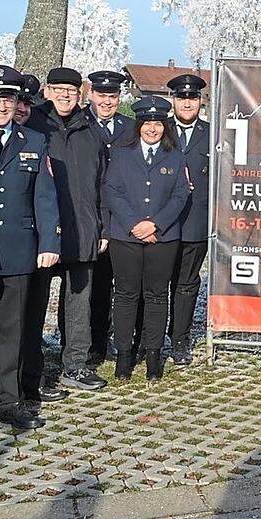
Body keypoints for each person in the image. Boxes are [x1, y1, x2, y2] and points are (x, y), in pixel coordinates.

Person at [0, 65, 60, 430]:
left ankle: (10, 401)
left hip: (18, 251)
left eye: (9, 99)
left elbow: (45, 196)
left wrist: (49, 241)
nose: (2, 106)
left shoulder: (33, 141)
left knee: (13, 330)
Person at [24, 67, 109, 392]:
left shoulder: (90, 130)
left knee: (78, 305)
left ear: (80, 93)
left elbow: (102, 182)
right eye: (57, 89)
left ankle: (76, 365)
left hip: (83, 229)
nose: (64, 95)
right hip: (43, 234)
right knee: (35, 305)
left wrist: (104, 226)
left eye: (70, 90)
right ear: (47, 91)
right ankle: (32, 372)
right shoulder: (33, 127)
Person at [105, 96, 190, 381]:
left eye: (158, 124)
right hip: (125, 237)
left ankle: (154, 357)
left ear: (165, 127)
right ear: (138, 125)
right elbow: (112, 190)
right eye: (147, 123)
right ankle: (124, 356)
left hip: (162, 238)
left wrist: (155, 224)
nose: (152, 129)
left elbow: (181, 195)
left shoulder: (176, 156)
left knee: (156, 296)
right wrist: (134, 224)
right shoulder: (120, 152)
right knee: (126, 296)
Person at [84, 70, 133, 365]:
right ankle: (90, 345)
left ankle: (117, 339)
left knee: (121, 284)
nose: (106, 101)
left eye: (112, 96)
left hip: (122, 218)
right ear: (91, 95)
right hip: (91, 214)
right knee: (91, 287)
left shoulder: (129, 127)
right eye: (101, 95)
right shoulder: (80, 124)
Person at [166, 73, 210, 366]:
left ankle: (180, 340)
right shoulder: (157, 128)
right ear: (173, 100)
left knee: (186, 283)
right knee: (154, 284)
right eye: (181, 97)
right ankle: (149, 338)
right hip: (161, 221)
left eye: (192, 98)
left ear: (200, 101)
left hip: (195, 219)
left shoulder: (213, 133)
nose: (186, 102)